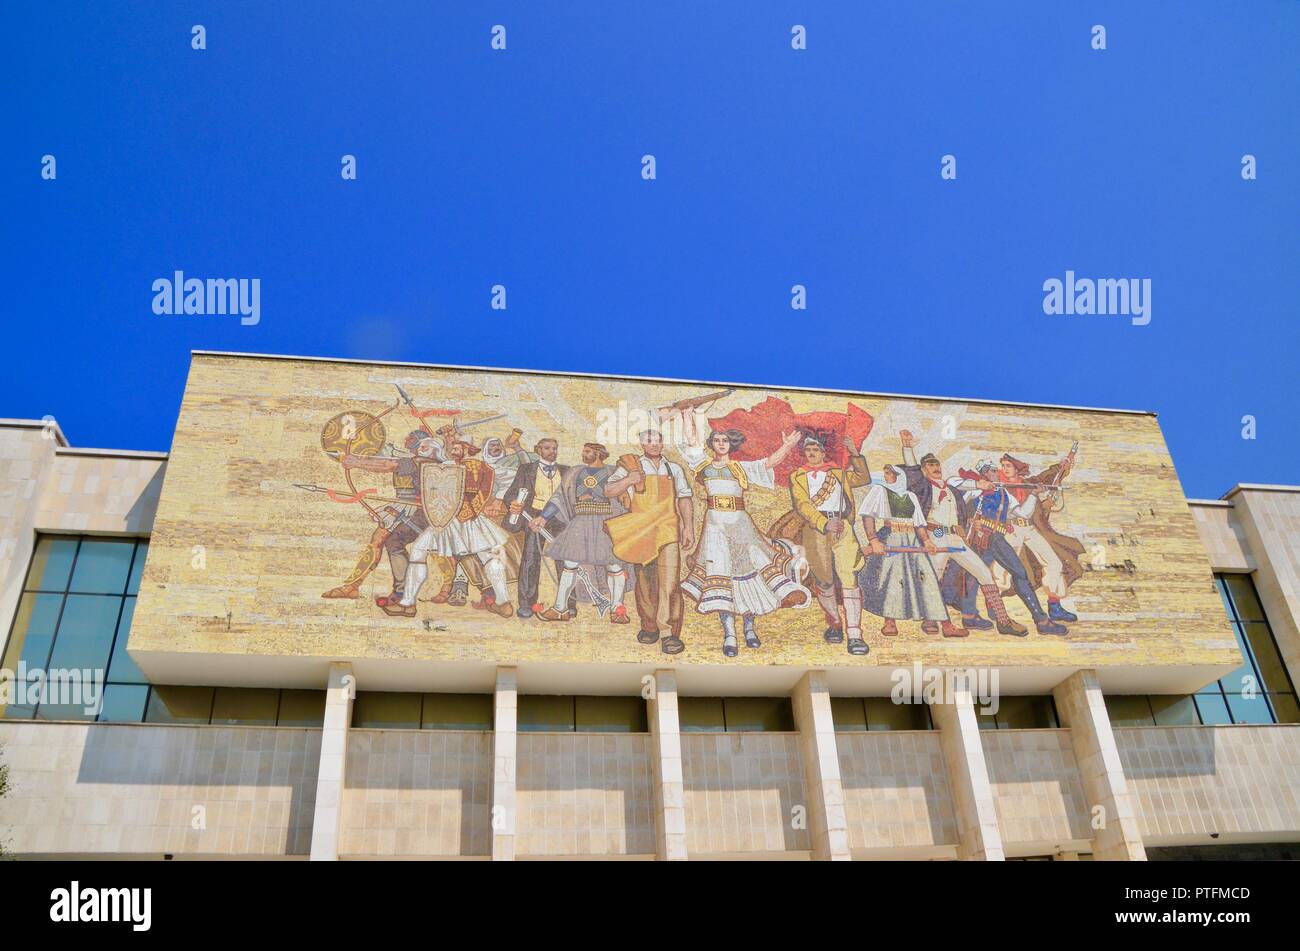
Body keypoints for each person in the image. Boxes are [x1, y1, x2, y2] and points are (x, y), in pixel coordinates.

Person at [680, 424, 809, 657]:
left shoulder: (741, 468)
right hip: (715, 526)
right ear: (711, 445)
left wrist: (787, 445)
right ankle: (729, 633)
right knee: (721, 575)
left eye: (725, 441)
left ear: (731, 444)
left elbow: (769, 463)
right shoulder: (704, 466)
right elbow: (691, 441)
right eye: (717, 440)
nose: (721, 444)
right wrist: (688, 414)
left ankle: (749, 628)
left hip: (740, 524)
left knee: (749, 574)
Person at [897, 431, 1026, 636]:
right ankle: (930, 619)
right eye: (930, 465)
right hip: (936, 536)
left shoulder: (951, 488)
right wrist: (907, 447)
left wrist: (980, 487)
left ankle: (1003, 621)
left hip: (956, 539)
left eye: (937, 464)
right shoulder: (923, 487)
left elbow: (958, 483)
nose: (935, 468)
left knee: (984, 573)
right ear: (923, 470)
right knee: (933, 578)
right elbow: (912, 470)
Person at [390, 436, 513, 618]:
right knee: (489, 557)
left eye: (457, 447)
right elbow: (495, 486)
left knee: (418, 552)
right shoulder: (484, 468)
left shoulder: (450, 467)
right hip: (468, 518)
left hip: (448, 517)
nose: (453, 450)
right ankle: (504, 603)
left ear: (467, 449)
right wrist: (482, 506)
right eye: (453, 447)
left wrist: (477, 507)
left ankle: (408, 604)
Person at [604, 429, 696, 654]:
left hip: (668, 529)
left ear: (663, 443)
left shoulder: (673, 469)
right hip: (642, 530)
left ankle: (668, 632)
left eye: (658, 440)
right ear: (642, 444)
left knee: (670, 582)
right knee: (644, 580)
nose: (654, 445)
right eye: (649, 441)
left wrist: (689, 527)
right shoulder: (631, 465)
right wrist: (629, 479)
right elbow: (608, 490)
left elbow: (684, 498)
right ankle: (649, 626)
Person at [786, 435, 872, 654]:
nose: (812, 453)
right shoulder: (797, 476)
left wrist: (854, 452)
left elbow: (863, 478)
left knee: (849, 577)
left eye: (816, 449)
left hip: (843, 527)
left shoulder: (838, 472)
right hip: (816, 529)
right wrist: (824, 523)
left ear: (824, 453)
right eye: (808, 450)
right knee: (824, 579)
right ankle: (835, 623)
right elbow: (802, 505)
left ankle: (855, 635)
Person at [533, 443, 629, 623]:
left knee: (615, 566)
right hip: (581, 521)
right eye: (583, 450)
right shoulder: (576, 472)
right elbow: (559, 497)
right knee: (570, 563)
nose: (583, 454)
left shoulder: (614, 471)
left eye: (587, 451)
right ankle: (561, 609)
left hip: (606, 523)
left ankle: (618, 610)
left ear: (598, 453)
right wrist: (543, 518)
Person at [856, 465, 952, 637]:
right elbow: (867, 516)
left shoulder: (911, 496)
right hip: (891, 538)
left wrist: (927, 541)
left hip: (912, 540)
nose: (886, 476)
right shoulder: (879, 491)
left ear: (899, 476)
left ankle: (939, 621)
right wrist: (873, 540)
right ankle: (890, 622)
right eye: (885, 473)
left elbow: (919, 524)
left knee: (926, 577)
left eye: (889, 473)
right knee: (893, 578)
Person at [502, 438, 571, 619]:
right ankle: (527, 604)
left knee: (567, 560)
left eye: (555, 448)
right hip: (534, 517)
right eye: (547, 448)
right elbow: (510, 495)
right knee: (531, 559)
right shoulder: (526, 469)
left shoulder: (566, 471)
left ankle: (568, 604)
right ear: (537, 449)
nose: (552, 451)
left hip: (561, 518)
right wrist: (514, 504)